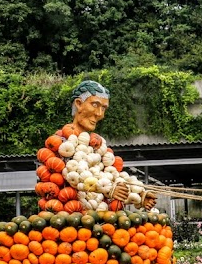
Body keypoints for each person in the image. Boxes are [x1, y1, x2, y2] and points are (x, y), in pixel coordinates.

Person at [35, 80, 157, 212]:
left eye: (104, 108)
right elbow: (73, 172)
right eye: (95, 104)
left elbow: (114, 176)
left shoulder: (97, 145)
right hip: (67, 219)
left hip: (99, 221)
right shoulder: (60, 142)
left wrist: (140, 195)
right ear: (79, 104)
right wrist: (109, 189)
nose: (100, 113)